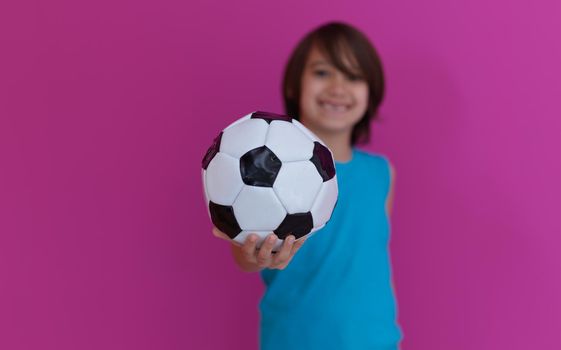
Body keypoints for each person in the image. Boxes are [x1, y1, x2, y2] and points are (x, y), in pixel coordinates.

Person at [213, 21, 403, 349]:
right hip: (294, 340)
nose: (337, 88)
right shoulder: (261, 167)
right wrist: (256, 256)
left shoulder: (381, 173)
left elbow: (370, 264)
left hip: (375, 340)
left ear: (370, 91)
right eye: (322, 72)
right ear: (293, 84)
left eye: (353, 76)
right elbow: (244, 256)